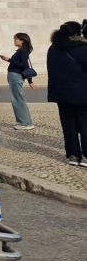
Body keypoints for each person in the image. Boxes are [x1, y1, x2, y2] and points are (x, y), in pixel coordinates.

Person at [46, 21, 87, 166]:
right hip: (83, 94)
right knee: (85, 124)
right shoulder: (83, 48)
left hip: (62, 94)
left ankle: (73, 155)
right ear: (77, 33)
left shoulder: (53, 49)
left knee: (68, 125)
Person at [0, 33, 36, 130]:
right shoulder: (22, 51)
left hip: (16, 76)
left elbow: (24, 66)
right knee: (18, 99)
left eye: (16, 39)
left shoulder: (23, 51)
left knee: (17, 99)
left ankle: (25, 123)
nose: (14, 41)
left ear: (22, 40)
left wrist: (9, 59)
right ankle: (25, 122)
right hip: (15, 76)